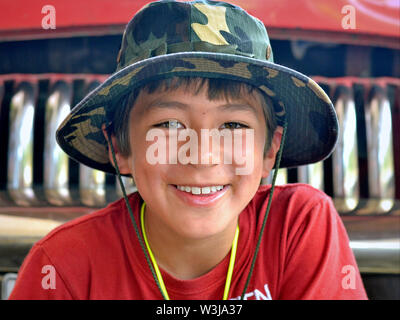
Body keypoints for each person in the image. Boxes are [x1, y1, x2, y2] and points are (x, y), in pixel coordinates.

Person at [9, 0, 367, 300]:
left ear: (269, 150)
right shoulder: (64, 267)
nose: (202, 157)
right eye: (169, 125)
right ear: (119, 146)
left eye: (233, 126)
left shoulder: (297, 226)